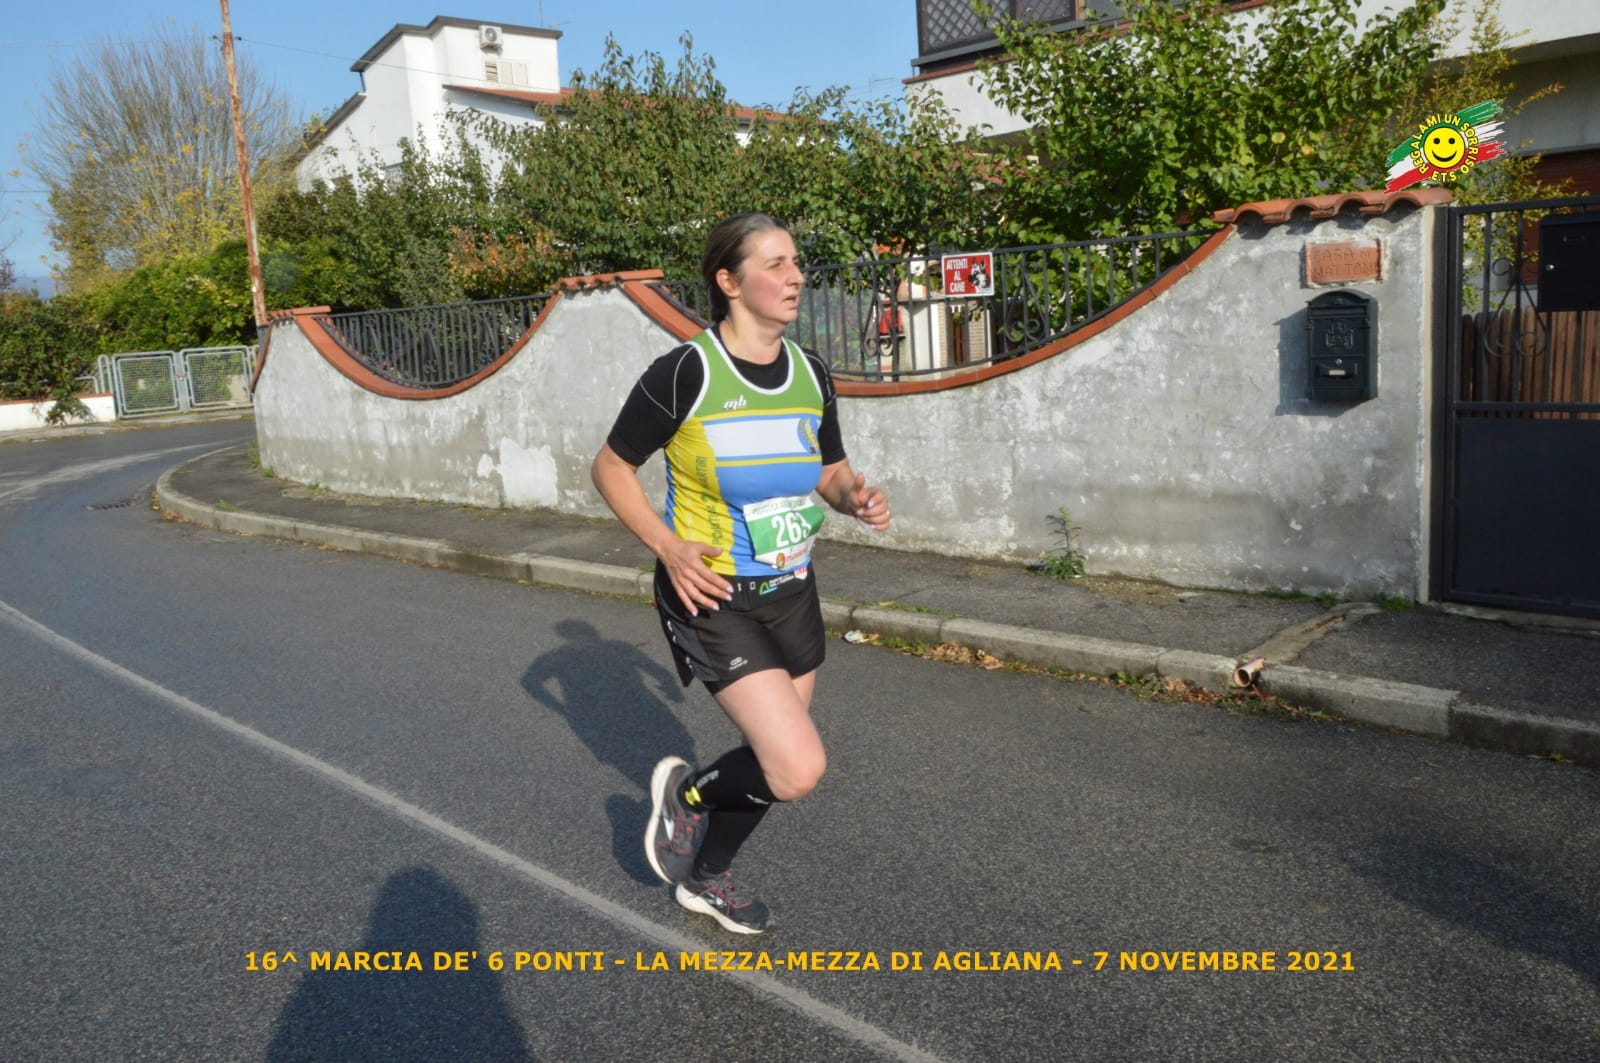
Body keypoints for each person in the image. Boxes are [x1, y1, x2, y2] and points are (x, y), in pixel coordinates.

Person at [591, 212, 891, 934]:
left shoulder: (811, 373)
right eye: (776, 264)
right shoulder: (687, 372)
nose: (796, 276)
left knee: (772, 760)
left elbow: (829, 470)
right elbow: (611, 467)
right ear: (729, 281)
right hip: (714, 594)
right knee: (796, 766)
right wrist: (668, 546)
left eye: (797, 262)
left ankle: (706, 876)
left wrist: (853, 499)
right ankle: (689, 799)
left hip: (793, 591)